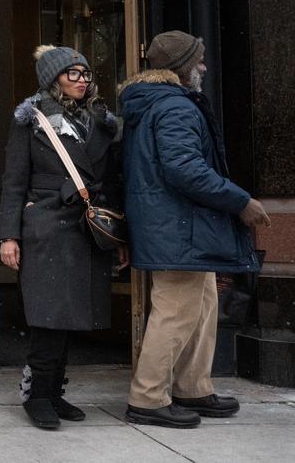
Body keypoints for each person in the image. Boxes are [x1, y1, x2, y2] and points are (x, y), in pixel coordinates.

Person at [119, 30, 271, 428]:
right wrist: (240, 201)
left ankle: (192, 387)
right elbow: (185, 169)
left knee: (202, 305)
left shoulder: (159, 103)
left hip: (179, 225)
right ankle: (148, 397)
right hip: (178, 226)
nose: (203, 66)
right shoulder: (174, 107)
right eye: (197, 61)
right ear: (182, 68)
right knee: (176, 312)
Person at [0, 45, 128, 429]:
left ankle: (54, 392)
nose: (82, 80)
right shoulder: (32, 119)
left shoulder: (101, 120)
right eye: (73, 73)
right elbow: (14, 182)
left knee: (72, 316)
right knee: (49, 317)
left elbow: (113, 182)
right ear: (53, 78)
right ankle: (37, 395)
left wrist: (119, 236)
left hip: (86, 229)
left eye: (86, 73)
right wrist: (9, 236)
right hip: (47, 227)